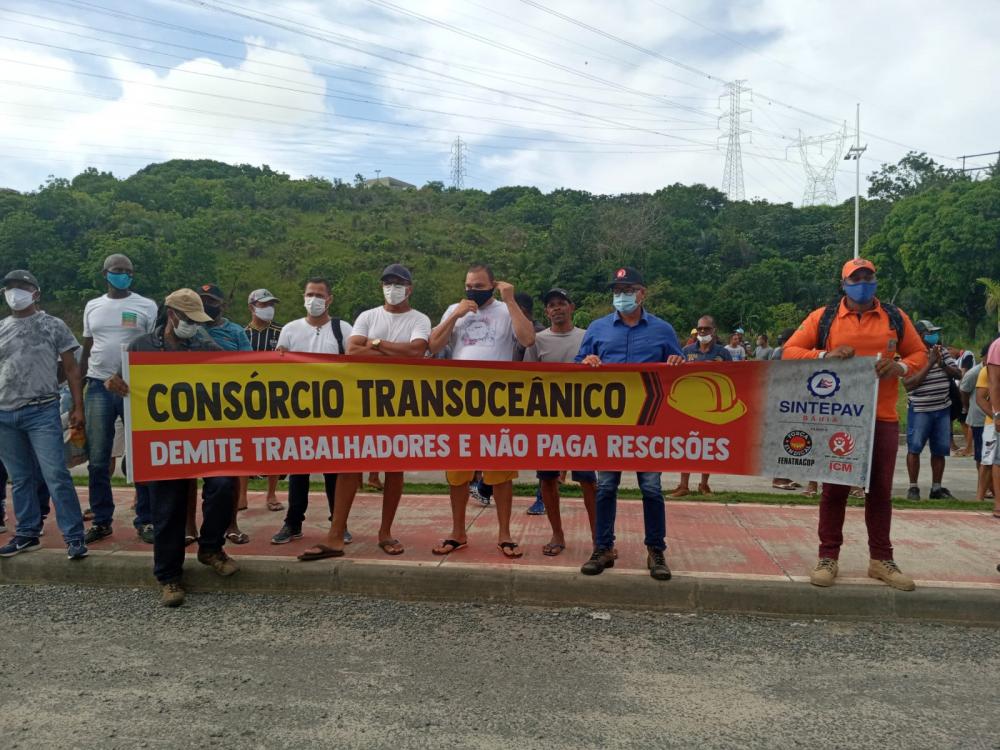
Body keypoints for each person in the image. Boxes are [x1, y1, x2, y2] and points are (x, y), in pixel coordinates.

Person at [783, 257, 927, 591]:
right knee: (834, 489)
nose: (862, 282)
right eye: (855, 278)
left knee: (880, 491)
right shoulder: (825, 318)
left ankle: (881, 560)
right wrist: (823, 356)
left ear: (876, 280)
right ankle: (827, 557)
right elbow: (790, 351)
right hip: (838, 419)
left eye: (868, 276)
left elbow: (919, 353)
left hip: (883, 417)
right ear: (843, 283)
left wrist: (901, 368)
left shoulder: (894, 317)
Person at [105, 289, 237, 606]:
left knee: (224, 484)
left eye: (197, 320)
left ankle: (210, 548)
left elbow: (231, 373)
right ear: (172, 315)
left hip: (204, 436)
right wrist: (114, 384)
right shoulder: (141, 346)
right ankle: (169, 577)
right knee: (168, 506)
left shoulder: (205, 344)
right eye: (188, 319)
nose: (193, 325)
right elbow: (119, 383)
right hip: (163, 441)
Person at [300, 264, 431, 560]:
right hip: (363, 401)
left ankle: (385, 533)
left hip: (400, 402)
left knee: (394, 469)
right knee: (351, 465)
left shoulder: (419, 319)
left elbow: (416, 352)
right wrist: (392, 350)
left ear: (409, 288)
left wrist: (374, 344)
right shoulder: (367, 316)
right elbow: (352, 351)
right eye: (388, 283)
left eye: (399, 283)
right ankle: (335, 536)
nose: (393, 288)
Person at [576, 267, 684, 580]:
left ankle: (655, 550)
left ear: (642, 293)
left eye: (628, 289)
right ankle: (603, 548)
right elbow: (576, 368)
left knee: (651, 487)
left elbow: (679, 376)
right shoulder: (597, 329)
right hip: (610, 426)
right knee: (606, 486)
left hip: (648, 425)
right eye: (617, 290)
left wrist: (676, 363)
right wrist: (587, 362)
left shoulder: (663, 330)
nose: (621, 295)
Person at [427, 263, 536, 558]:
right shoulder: (455, 309)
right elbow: (433, 344)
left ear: (493, 284)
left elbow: (527, 339)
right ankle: (457, 532)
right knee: (457, 472)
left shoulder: (505, 310)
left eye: (479, 285)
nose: (473, 290)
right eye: (469, 285)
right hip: (459, 404)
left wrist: (511, 300)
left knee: (500, 473)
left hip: (497, 404)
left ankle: (505, 534)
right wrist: (455, 316)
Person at [0, 269, 88, 560]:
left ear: (35, 293)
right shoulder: (2, 328)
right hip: (5, 414)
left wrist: (78, 406)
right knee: (21, 478)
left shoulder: (53, 325)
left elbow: (72, 368)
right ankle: (26, 532)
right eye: (10, 288)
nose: (16, 292)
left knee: (55, 474)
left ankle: (74, 536)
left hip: (42, 410)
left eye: (22, 287)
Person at [79, 254, 158, 545]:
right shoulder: (93, 306)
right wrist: (81, 386)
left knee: (139, 457)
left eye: (127, 271)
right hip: (98, 386)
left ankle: (146, 519)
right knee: (98, 459)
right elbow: (88, 347)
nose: (122, 275)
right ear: (105, 274)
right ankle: (101, 520)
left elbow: (152, 346)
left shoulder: (146, 305)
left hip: (133, 387)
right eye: (117, 271)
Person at [270, 278, 353, 545]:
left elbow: (354, 365)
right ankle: (293, 523)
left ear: (329, 299)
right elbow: (280, 370)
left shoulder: (343, 329)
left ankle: (338, 522)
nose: (313, 299)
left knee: (333, 470)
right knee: (299, 470)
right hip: (300, 412)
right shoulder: (291, 330)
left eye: (319, 294)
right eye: (309, 294)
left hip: (333, 412)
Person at [523, 288, 597, 555]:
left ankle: (599, 538)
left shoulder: (589, 336)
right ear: (546, 312)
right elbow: (527, 379)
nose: (556, 308)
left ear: (571, 307)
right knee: (548, 479)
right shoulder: (536, 341)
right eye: (551, 305)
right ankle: (557, 534)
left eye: (561, 303)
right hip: (548, 420)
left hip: (583, 421)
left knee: (589, 481)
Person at [670, 315, 732, 498]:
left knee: (709, 446)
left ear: (714, 331)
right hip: (688, 406)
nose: (702, 332)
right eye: (700, 329)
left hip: (712, 409)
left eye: (706, 329)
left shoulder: (723, 353)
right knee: (686, 444)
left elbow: (735, 378)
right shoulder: (686, 351)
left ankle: (704, 485)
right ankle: (683, 485)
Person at [902, 320, 961, 500]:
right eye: (930, 333)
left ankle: (937, 488)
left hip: (942, 409)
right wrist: (929, 364)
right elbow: (908, 385)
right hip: (920, 410)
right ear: (919, 335)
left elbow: (958, 374)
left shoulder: (941, 351)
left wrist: (942, 364)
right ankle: (913, 487)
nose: (934, 336)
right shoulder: (910, 356)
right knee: (915, 448)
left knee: (940, 450)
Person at [241, 288, 284, 513]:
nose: (269, 309)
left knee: (273, 447)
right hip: (246, 398)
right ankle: (241, 495)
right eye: (264, 304)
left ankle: (271, 493)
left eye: (271, 304)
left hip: (274, 397)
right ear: (252, 307)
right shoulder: (241, 334)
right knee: (244, 446)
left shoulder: (282, 332)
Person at [977, 336, 1000, 516]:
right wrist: (996, 415)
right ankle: (984, 499)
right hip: (992, 423)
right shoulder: (987, 370)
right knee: (989, 461)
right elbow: (982, 397)